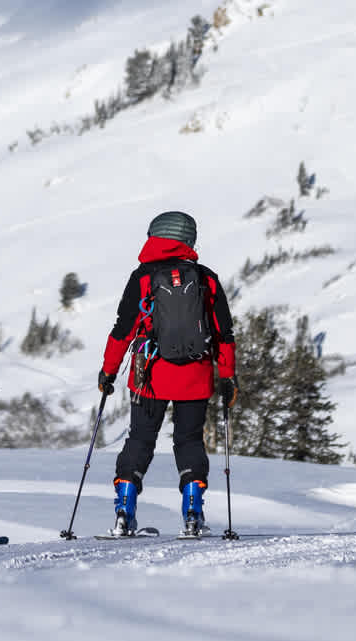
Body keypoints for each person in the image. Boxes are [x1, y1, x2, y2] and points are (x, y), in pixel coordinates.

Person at [97, 210, 236, 537]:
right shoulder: (206, 278)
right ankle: (192, 511)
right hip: (196, 374)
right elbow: (224, 332)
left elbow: (123, 330)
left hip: (150, 374)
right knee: (189, 440)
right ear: (187, 239)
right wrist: (227, 376)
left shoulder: (142, 277)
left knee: (140, 439)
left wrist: (108, 371)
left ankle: (124, 510)